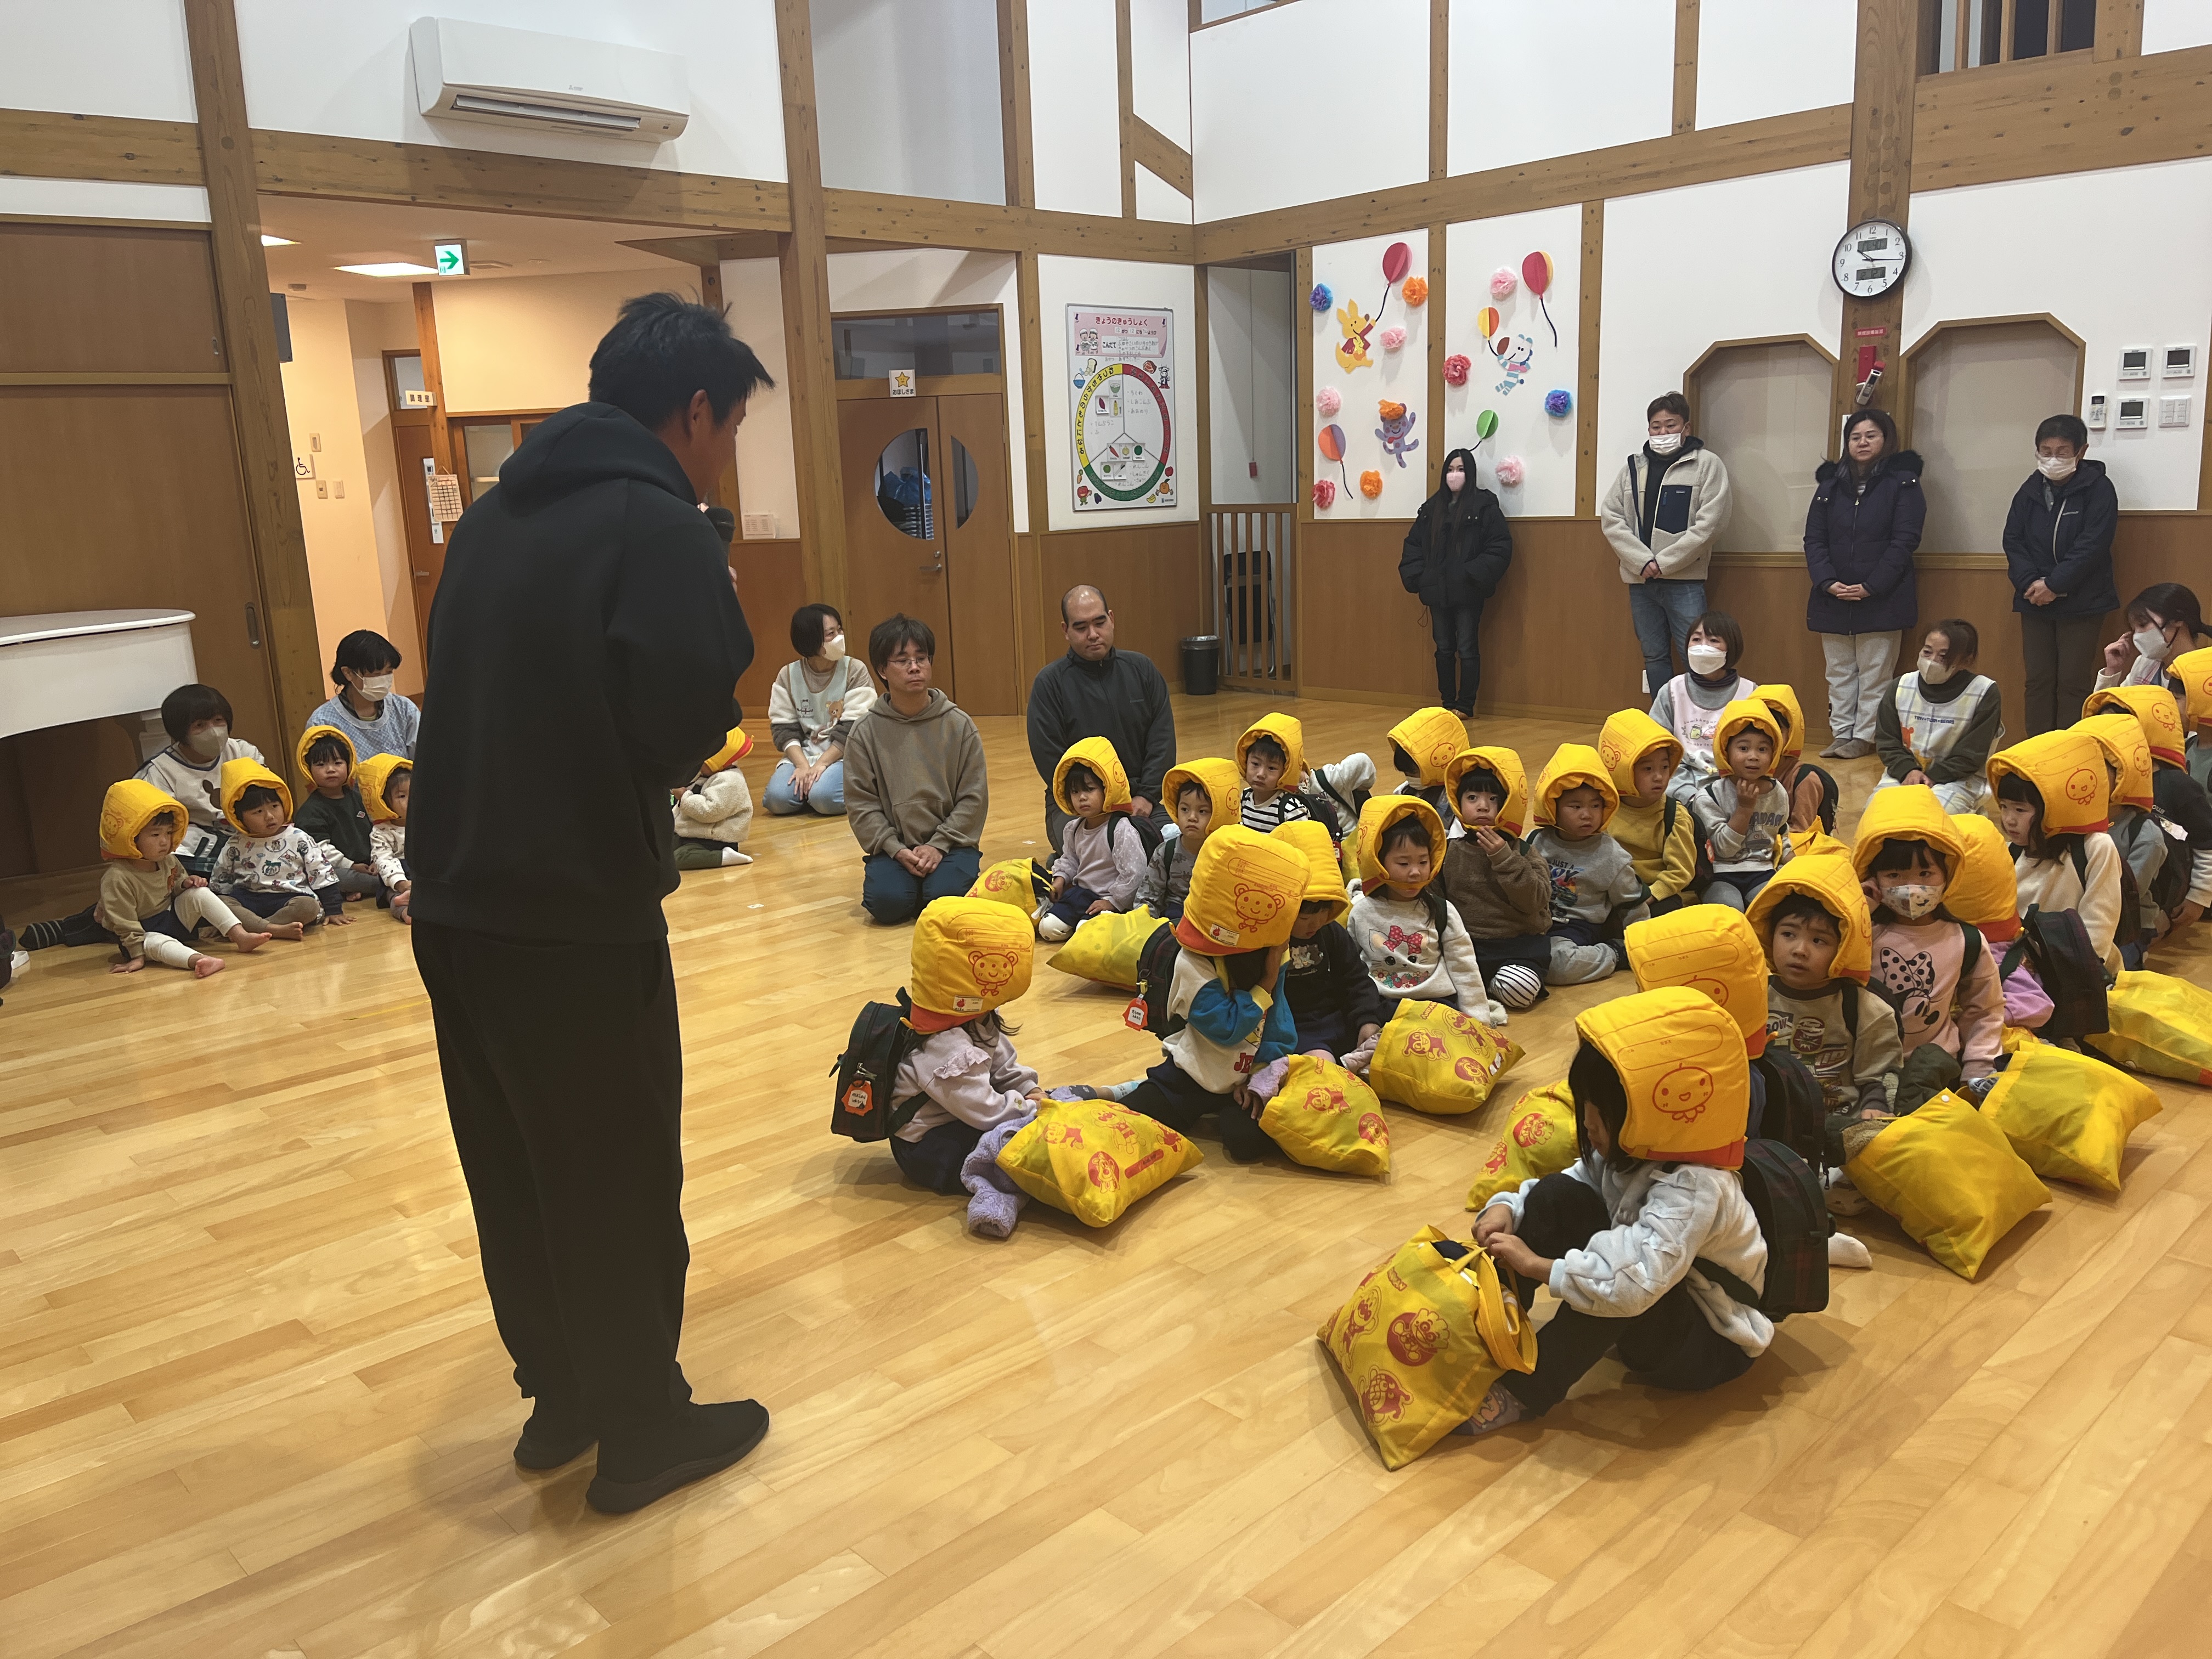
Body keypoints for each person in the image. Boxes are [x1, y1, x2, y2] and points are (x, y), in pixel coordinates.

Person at [407, 292, 768, 1514]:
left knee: (516, 1159)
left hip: (454, 897)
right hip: (573, 903)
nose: (725, 456)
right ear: (697, 409)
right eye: (731, 430)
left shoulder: (495, 512)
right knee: (614, 1168)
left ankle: (562, 1396)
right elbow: (684, 720)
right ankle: (643, 1430)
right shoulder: (658, 522)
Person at [1459, 991, 1770, 1435]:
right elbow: (1573, 1183)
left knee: (1619, 1278)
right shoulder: (1636, 1148)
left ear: (1653, 1113)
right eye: (1585, 1103)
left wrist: (1537, 1265)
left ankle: (1525, 1392)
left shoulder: (1697, 1185)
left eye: (1601, 1111)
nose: (1588, 1122)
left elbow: (1631, 1284)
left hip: (1710, 1344)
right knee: (1554, 1196)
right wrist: (1508, 1208)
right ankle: (1494, 1332)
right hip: (1655, 1294)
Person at [1076, 827, 1309, 1164]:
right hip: (1191, 1075)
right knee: (1123, 1128)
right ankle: (1128, 1089)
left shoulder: (1270, 949)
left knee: (1247, 1145)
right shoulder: (1193, 960)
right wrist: (1267, 981)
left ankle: (1218, 1103)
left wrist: (1262, 1074)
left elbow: (1278, 1019)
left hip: (1243, 1077)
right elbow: (1227, 1027)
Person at [886, 897, 1041, 1195]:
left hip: (963, 1117)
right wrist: (1032, 1108)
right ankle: (997, 1195)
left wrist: (1029, 1089)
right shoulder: (945, 1047)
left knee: (1028, 1129)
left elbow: (1004, 1066)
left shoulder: (976, 1016)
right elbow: (987, 1111)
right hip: (928, 1149)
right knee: (1023, 1152)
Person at [1855, 787, 2005, 1097]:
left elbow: (1985, 1008)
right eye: (1894, 876)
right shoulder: (1861, 934)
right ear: (1873, 878)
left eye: (1925, 873)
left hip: (1937, 1069)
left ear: (1948, 875)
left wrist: (1978, 1067)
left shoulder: (1966, 940)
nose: (1912, 887)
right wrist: (1859, 914)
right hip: (1867, 1071)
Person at [846, 613, 989, 926]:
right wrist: (895, 849)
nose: (914, 667)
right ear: (882, 670)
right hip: (894, 848)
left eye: (921, 658)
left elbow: (974, 798)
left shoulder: (959, 725)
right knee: (887, 905)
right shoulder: (865, 732)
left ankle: (933, 883)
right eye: (902, 660)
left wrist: (938, 845)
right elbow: (861, 804)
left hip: (952, 844)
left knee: (944, 901)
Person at [1804, 410, 1924, 760]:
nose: (1863, 443)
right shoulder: (1830, 486)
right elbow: (1814, 539)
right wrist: (1828, 582)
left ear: (1886, 440)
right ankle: (1841, 733)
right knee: (1838, 672)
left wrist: (1872, 586)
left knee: (1875, 673)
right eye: (1855, 437)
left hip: (1883, 595)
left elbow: (1905, 540)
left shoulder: (1904, 483)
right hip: (1833, 595)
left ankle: (1865, 736)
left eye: (1871, 436)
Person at [1747, 857, 1902, 1124]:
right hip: (1769, 1124)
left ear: (1844, 948)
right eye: (1788, 934)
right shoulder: (1752, 995)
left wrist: (1875, 1107)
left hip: (1842, 1123)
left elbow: (1878, 1077)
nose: (1800, 950)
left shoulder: (1865, 1008)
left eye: (1819, 940)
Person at [1599, 393, 1735, 697]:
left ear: (1686, 428)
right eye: (1656, 427)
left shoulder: (1707, 465)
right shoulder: (1633, 468)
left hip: (1685, 582)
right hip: (1641, 581)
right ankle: (1664, 716)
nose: (1663, 433)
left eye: (1670, 425)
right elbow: (1611, 518)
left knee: (1698, 656)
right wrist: (1642, 561)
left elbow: (1711, 524)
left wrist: (1664, 563)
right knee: (1654, 656)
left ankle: (1702, 715)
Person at [1026, 585, 1175, 855]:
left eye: (1100, 622)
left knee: (1176, 852)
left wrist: (1146, 796)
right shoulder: (1049, 684)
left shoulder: (1142, 670)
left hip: (1139, 799)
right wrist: (1099, 808)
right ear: (1066, 631)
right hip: (1078, 804)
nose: (1093, 634)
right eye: (1081, 627)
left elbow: (1162, 741)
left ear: (1112, 619)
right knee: (1103, 859)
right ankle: (1067, 865)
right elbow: (1052, 761)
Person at [2005, 414, 2119, 735]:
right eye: (2046, 451)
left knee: (2073, 682)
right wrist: (2031, 584)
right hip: (2034, 600)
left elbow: (2093, 544)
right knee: (2038, 681)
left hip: (2083, 601)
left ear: (2081, 452)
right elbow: (2013, 540)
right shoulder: (2029, 490)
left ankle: (2070, 751)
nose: (2053, 459)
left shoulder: (2098, 488)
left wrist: (2055, 584)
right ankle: (2037, 750)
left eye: (2062, 452)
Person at [94, 780, 278, 975]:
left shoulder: (167, 860)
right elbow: (124, 923)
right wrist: (137, 956)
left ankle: (241, 936)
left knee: (200, 893)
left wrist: (186, 883)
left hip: (171, 919)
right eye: (155, 835)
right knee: (156, 942)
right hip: (141, 937)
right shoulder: (117, 878)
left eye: (168, 833)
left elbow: (176, 883)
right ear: (131, 837)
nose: (165, 841)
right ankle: (200, 961)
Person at [1348, 796, 1502, 1021]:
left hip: (1436, 1004)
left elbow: (1464, 967)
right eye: (1404, 864)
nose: (1416, 872)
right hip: (1383, 1004)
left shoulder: (1442, 910)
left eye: (1423, 862)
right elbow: (1351, 971)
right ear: (1378, 862)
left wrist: (1478, 1020)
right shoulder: (1361, 913)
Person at [2084, 683, 2212, 952]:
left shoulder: (2177, 785)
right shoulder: (2097, 781)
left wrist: (2198, 897)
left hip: (2160, 895)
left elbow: (2206, 843)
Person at [1991, 731, 2125, 973]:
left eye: (2020, 810)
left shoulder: (2095, 847)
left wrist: (2071, 976)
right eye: (2004, 807)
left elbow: (2099, 927)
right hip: (2024, 973)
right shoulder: (2009, 853)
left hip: (2082, 975)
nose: (2009, 820)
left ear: (2051, 808)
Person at [1398, 445, 1513, 714]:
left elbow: (1499, 547)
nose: (1454, 475)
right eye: (1450, 469)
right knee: (1443, 648)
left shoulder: (1484, 507)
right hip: (1437, 591)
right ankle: (1447, 704)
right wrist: (1420, 577)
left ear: (1470, 473)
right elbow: (1413, 546)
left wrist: (1471, 574)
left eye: (1460, 469)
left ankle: (1465, 705)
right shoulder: (1431, 509)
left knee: (1467, 647)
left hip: (1468, 592)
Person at [1440, 751, 1552, 1012]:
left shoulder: (1523, 851)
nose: (1483, 806)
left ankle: (1489, 986)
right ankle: (1482, 986)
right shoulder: (1448, 851)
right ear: (1457, 803)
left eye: (1494, 799)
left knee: (1520, 990)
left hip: (1519, 945)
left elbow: (1536, 901)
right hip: (1466, 946)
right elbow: (1437, 902)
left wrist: (1504, 859)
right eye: (1472, 798)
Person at [1525, 745, 1646, 984]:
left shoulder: (1612, 855)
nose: (1587, 814)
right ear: (1553, 807)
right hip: (1532, 921)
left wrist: (1640, 944)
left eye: (1595, 806)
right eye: (1576, 806)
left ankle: (1614, 953)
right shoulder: (1536, 840)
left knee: (1557, 964)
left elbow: (1632, 904)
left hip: (1575, 927)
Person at [1272, 819, 1384, 1068]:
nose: (1315, 923)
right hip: (1294, 1028)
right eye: (1304, 918)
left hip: (1338, 1019)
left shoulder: (1331, 932)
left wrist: (1367, 1020)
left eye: (1325, 912)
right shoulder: (1268, 941)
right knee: (1324, 1067)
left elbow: (1355, 979)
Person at [1872, 619, 2001, 814]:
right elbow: (1887, 740)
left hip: (1958, 779)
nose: (1932, 661)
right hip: (1905, 773)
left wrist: (1934, 777)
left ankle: (1972, 815)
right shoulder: (1900, 686)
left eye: (1944, 656)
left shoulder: (1984, 692)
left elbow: (1973, 753)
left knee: (1930, 816)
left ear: (1966, 661)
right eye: (1927, 652)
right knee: (1878, 814)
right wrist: (1908, 770)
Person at [135, 682, 266, 871]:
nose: (213, 730)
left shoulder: (243, 752)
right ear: (180, 732)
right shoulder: (159, 772)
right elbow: (155, 832)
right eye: (200, 725)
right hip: (196, 851)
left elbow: (267, 800)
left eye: (218, 720)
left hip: (249, 836)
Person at [209, 759, 348, 928]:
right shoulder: (235, 843)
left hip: (289, 898)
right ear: (239, 818)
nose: (269, 816)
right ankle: (271, 929)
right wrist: (217, 918)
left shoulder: (298, 838)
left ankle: (259, 927)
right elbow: (221, 880)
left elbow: (322, 873)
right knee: (221, 904)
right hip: (248, 900)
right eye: (258, 811)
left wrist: (334, 910)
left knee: (308, 907)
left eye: (274, 806)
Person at [764, 602, 872, 817]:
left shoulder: (855, 670)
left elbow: (854, 728)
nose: (840, 637)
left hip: (844, 754)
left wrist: (822, 764)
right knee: (777, 800)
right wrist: (803, 766)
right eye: (831, 634)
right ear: (811, 641)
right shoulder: (787, 675)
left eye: (840, 630)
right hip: (804, 754)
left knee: (824, 799)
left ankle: (819, 790)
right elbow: (783, 729)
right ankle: (811, 789)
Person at [1037, 737, 1147, 941]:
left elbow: (1135, 873)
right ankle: (1079, 924)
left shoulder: (1121, 829)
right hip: (1081, 894)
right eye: (1075, 792)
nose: (1082, 797)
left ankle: (1091, 925)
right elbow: (1070, 860)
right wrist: (1060, 879)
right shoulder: (1073, 828)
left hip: (1110, 897)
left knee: (1086, 933)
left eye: (1090, 789)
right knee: (1048, 929)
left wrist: (1114, 902)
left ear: (1108, 789)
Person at [1691, 701, 1795, 911]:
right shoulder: (1709, 797)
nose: (1753, 756)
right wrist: (1745, 809)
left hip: (1762, 870)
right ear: (1726, 752)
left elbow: (1782, 834)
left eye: (1763, 749)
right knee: (1731, 910)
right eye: (1743, 748)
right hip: (1720, 872)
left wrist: (1792, 863)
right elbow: (1723, 850)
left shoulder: (1778, 792)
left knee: (1772, 908)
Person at [1598, 710, 1701, 914]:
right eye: (1648, 769)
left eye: (1665, 767)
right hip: (1619, 893)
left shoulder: (1674, 815)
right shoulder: (1605, 809)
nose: (1659, 777)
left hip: (1662, 895)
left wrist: (1650, 897)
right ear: (1623, 770)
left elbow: (1681, 872)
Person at [1650, 611, 1757, 803]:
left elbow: (1757, 754)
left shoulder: (1750, 694)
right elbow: (1656, 749)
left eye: (1713, 640)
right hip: (1679, 787)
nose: (1702, 647)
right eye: (1697, 639)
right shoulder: (1672, 690)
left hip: (1734, 789)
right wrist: (1689, 796)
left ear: (1731, 647)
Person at [1136, 758, 1238, 922]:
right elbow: (1147, 896)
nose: (1192, 817)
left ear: (1218, 815)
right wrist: (1146, 924)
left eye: (1202, 811)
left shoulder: (1228, 856)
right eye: (1185, 809)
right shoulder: (1165, 852)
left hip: (1212, 918)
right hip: (1174, 916)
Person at [291, 725, 382, 901]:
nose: (330, 769)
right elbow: (319, 850)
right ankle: (377, 886)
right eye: (321, 765)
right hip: (339, 868)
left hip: (370, 864)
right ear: (308, 770)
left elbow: (378, 832)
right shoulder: (311, 811)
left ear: (349, 765)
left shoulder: (360, 799)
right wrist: (352, 865)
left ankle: (372, 885)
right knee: (333, 877)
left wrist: (377, 860)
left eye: (338, 763)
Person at [305, 629, 421, 762]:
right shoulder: (323, 722)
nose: (384, 679)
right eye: (376, 674)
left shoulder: (404, 710)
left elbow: (424, 760)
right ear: (348, 673)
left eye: (389, 672)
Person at [2094, 583, 2208, 699]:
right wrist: (2112, 671)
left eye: (2143, 624)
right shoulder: (2145, 665)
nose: (2137, 636)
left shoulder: (2205, 672)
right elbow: (2109, 709)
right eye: (2134, 630)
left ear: (2177, 619)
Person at [672, 726, 755, 870]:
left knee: (678, 858)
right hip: (693, 834)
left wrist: (684, 797)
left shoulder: (730, 781)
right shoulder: (707, 775)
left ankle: (724, 856)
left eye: (702, 763)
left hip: (714, 841)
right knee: (661, 848)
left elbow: (709, 812)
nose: (698, 767)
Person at [1235, 713, 1314, 832]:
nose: (1261, 774)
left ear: (1285, 771)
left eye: (1272, 768)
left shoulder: (1291, 810)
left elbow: (1301, 841)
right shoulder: (1245, 797)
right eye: (1255, 764)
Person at [1387, 705, 1466, 820]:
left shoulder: (1460, 799)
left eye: (1413, 773)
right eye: (1406, 774)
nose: (1410, 779)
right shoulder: (1402, 792)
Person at [359, 753, 413, 923]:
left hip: (423, 877)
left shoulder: (425, 822)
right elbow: (384, 860)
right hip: (396, 880)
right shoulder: (381, 831)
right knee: (394, 896)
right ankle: (404, 909)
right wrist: (401, 883)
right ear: (384, 802)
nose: (411, 800)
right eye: (402, 796)